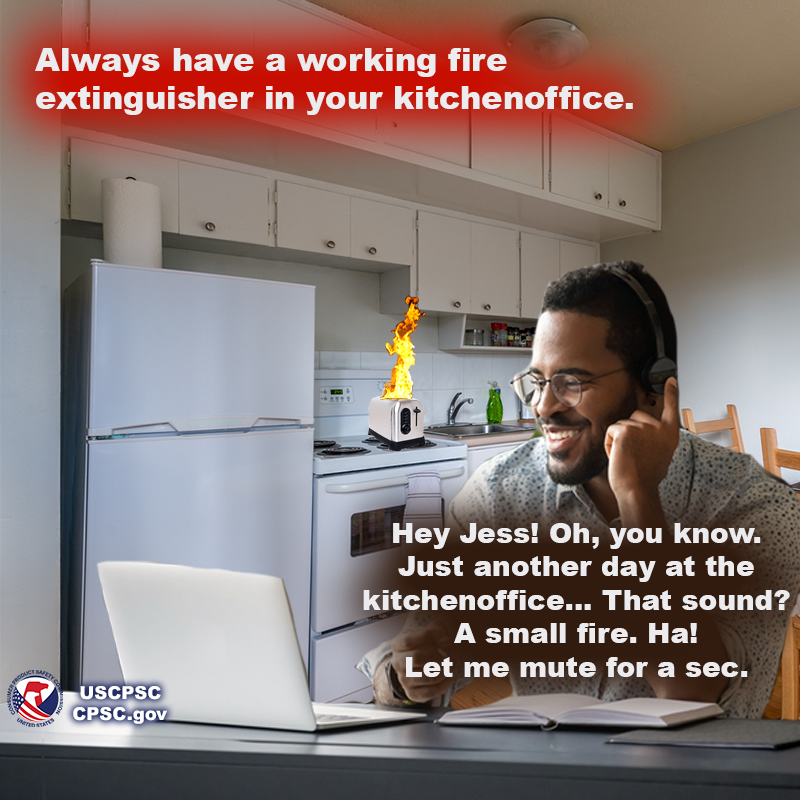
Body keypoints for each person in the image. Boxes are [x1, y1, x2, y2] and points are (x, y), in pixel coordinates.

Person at [360, 261, 800, 718]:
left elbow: (691, 689)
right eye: (537, 382)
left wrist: (639, 501)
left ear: (653, 388)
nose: (543, 406)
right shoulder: (498, 494)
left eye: (572, 382)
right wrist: (407, 678)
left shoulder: (756, 506)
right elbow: (404, 662)